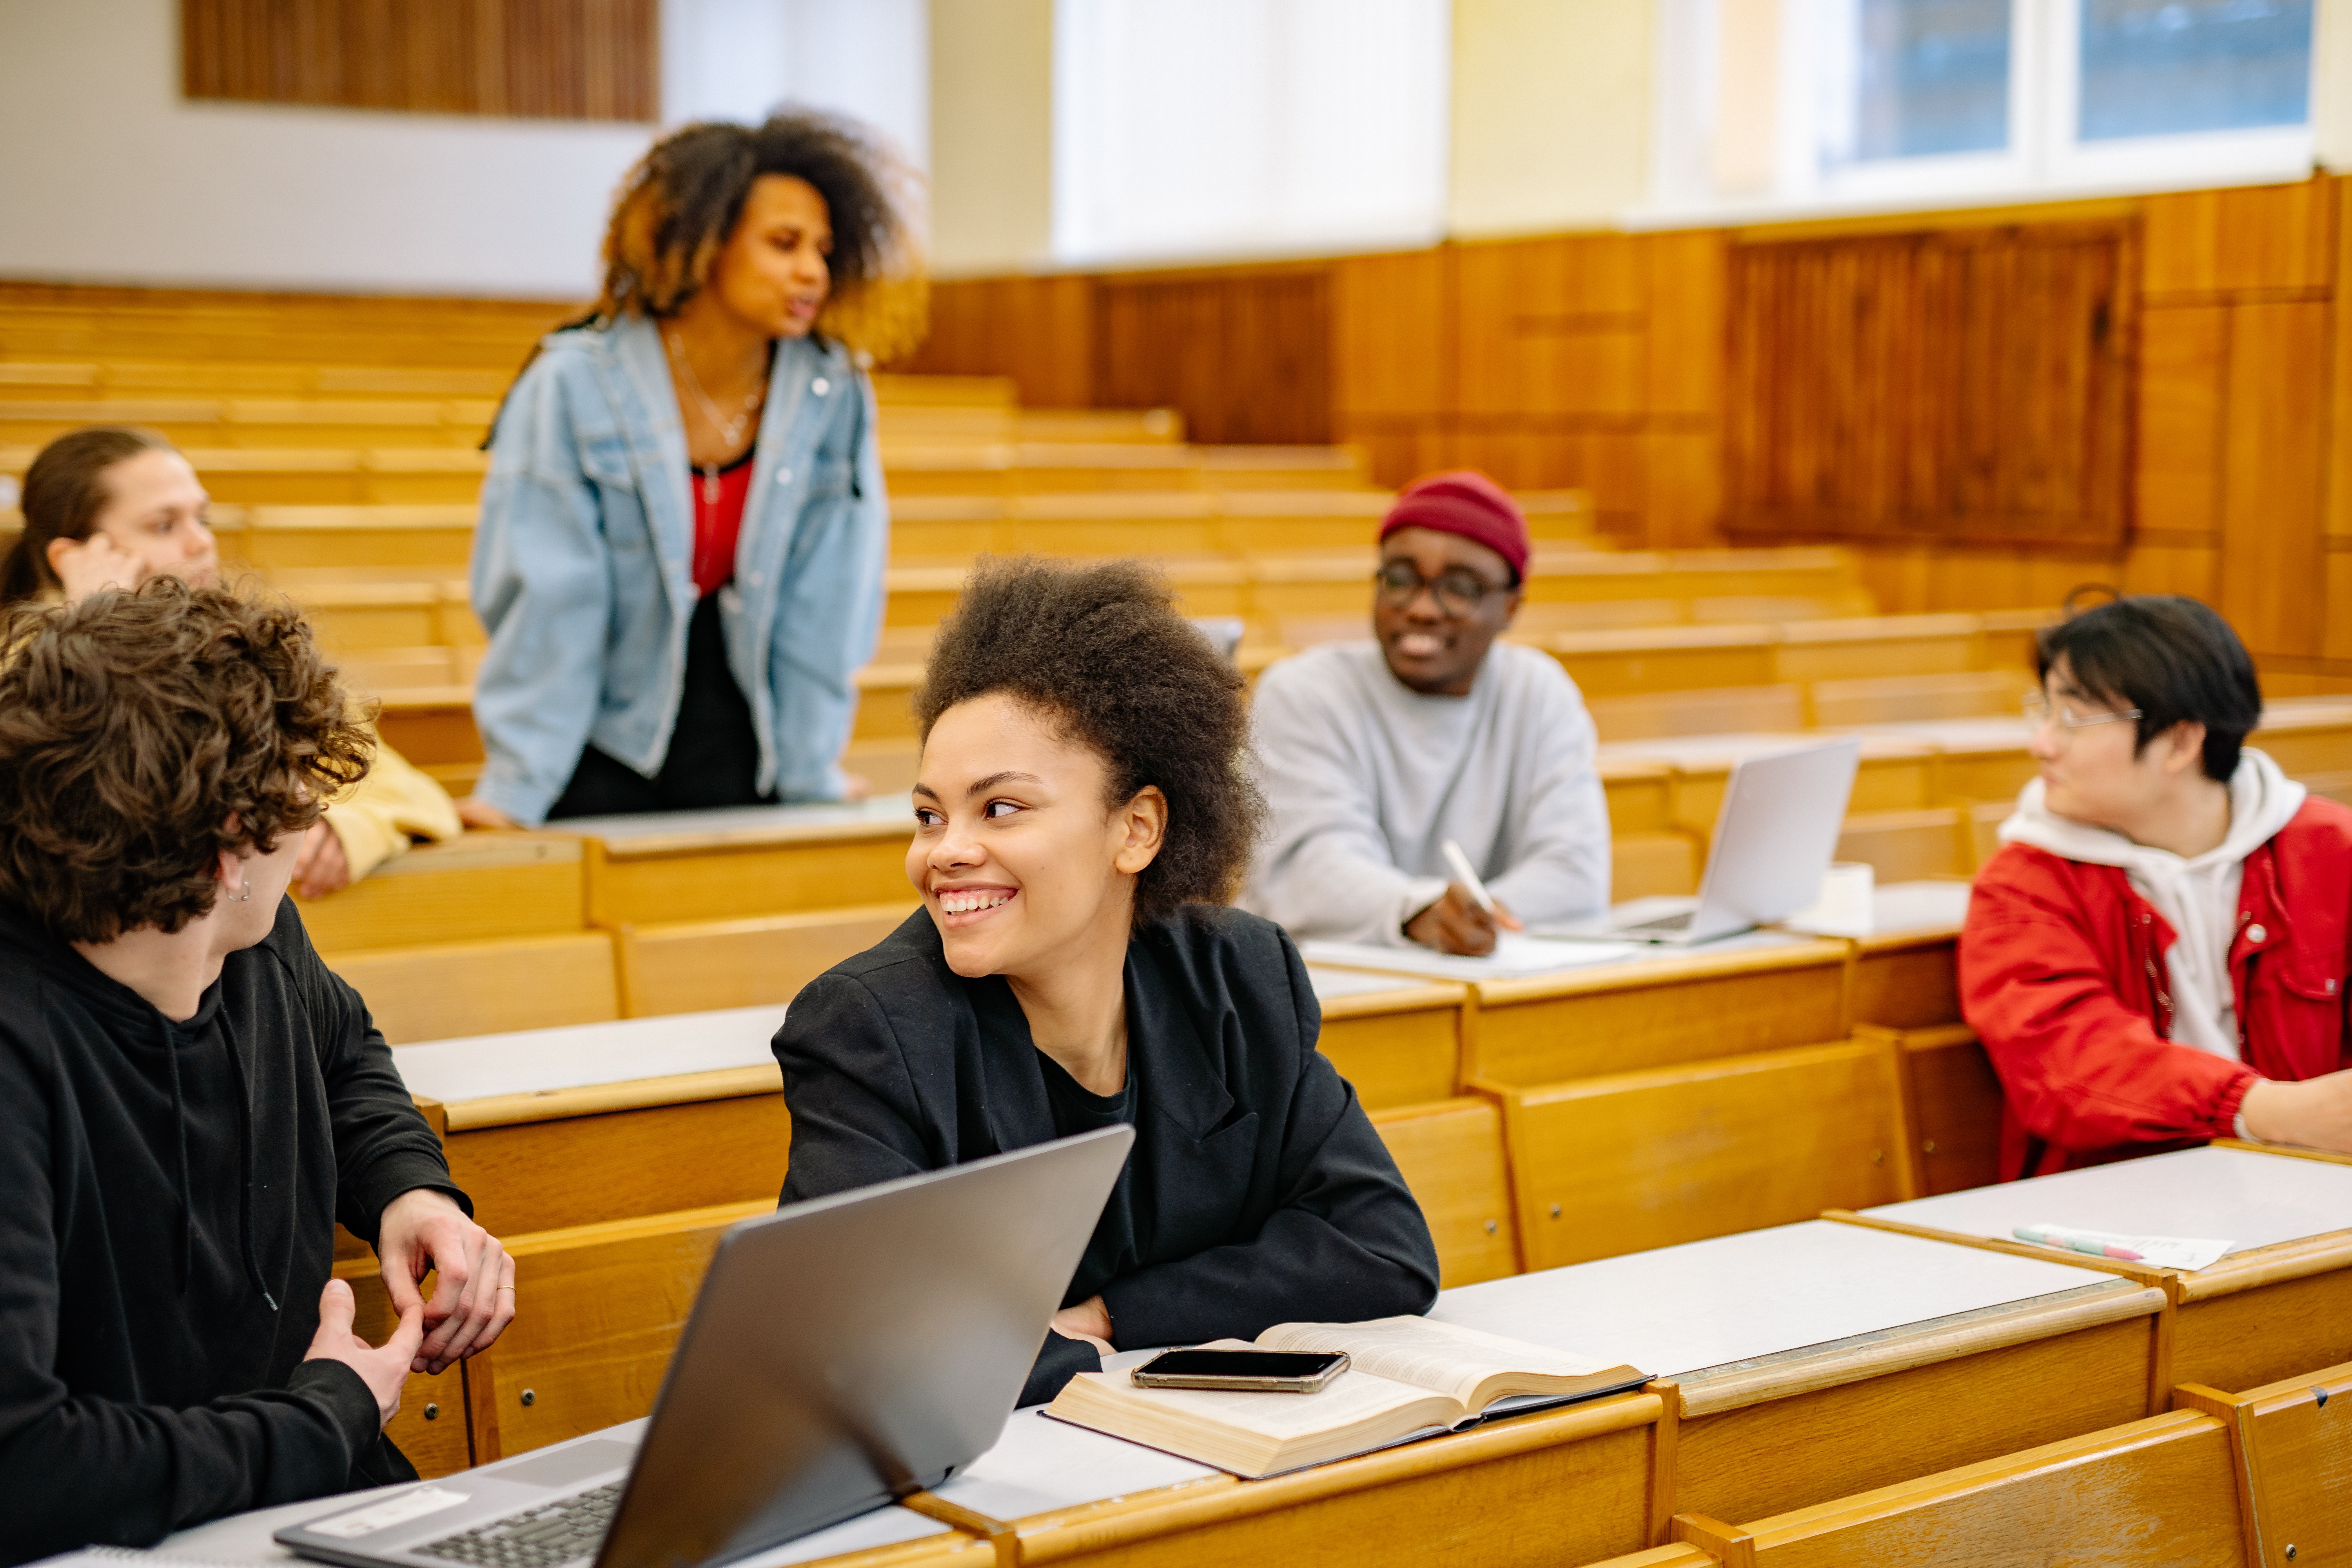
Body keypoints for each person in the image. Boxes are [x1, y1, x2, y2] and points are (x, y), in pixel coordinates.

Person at [771, 556, 1439, 1406]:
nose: (943, 851)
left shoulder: (1240, 977)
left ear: (1137, 829)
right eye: (930, 814)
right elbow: (865, 1342)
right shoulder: (870, 1028)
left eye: (1000, 808)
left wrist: (1114, 1315)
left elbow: (1383, 1249)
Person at [0, 579, 515, 1563]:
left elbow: (344, 1052)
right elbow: (24, 1465)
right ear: (226, 854)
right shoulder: (19, 1046)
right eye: (300, 794)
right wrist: (326, 1413)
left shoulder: (252, 935)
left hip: (304, 1500)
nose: (319, 813)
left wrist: (411, 1191)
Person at [461, 111, 923, 828]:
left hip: (750, 747)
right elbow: (551, 603)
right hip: (598, 746)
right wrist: (516, 788)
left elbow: (829, 606)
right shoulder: (572, 383)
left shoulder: (834, 391)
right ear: (705, 244)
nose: (813, 272)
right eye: (784, 244)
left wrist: (809, 772)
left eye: (824, 250)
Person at [1961, 595, 2352, 1180]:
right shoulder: (2023, 885)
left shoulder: (2329, 850)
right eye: (2043, 712)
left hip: (2310, 1186)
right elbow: (2073, 1060)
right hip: (2116, 1200)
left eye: (2072, 719)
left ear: (2179, 742)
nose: (2041, 743)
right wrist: (2265, 1110)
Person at [0, 426, 462, 897]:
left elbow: (414, 793)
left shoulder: (249, 655)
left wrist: (347, 828)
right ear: (73, 557)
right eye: (164, 525)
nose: (201, 542)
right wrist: (97, 637)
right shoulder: (20, 680)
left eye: (203, 518)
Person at [1241, 470, 1611, 955]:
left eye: (1460, 588)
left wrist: (1474, 922)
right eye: (1400, 578)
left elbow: (1574, 870)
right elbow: (1310, 871)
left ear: (1512, 606)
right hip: (1317, 991)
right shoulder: (1304, 693)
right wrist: (1425, 913)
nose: (1421, 608)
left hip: (1486, 973)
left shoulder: (1539, 693)